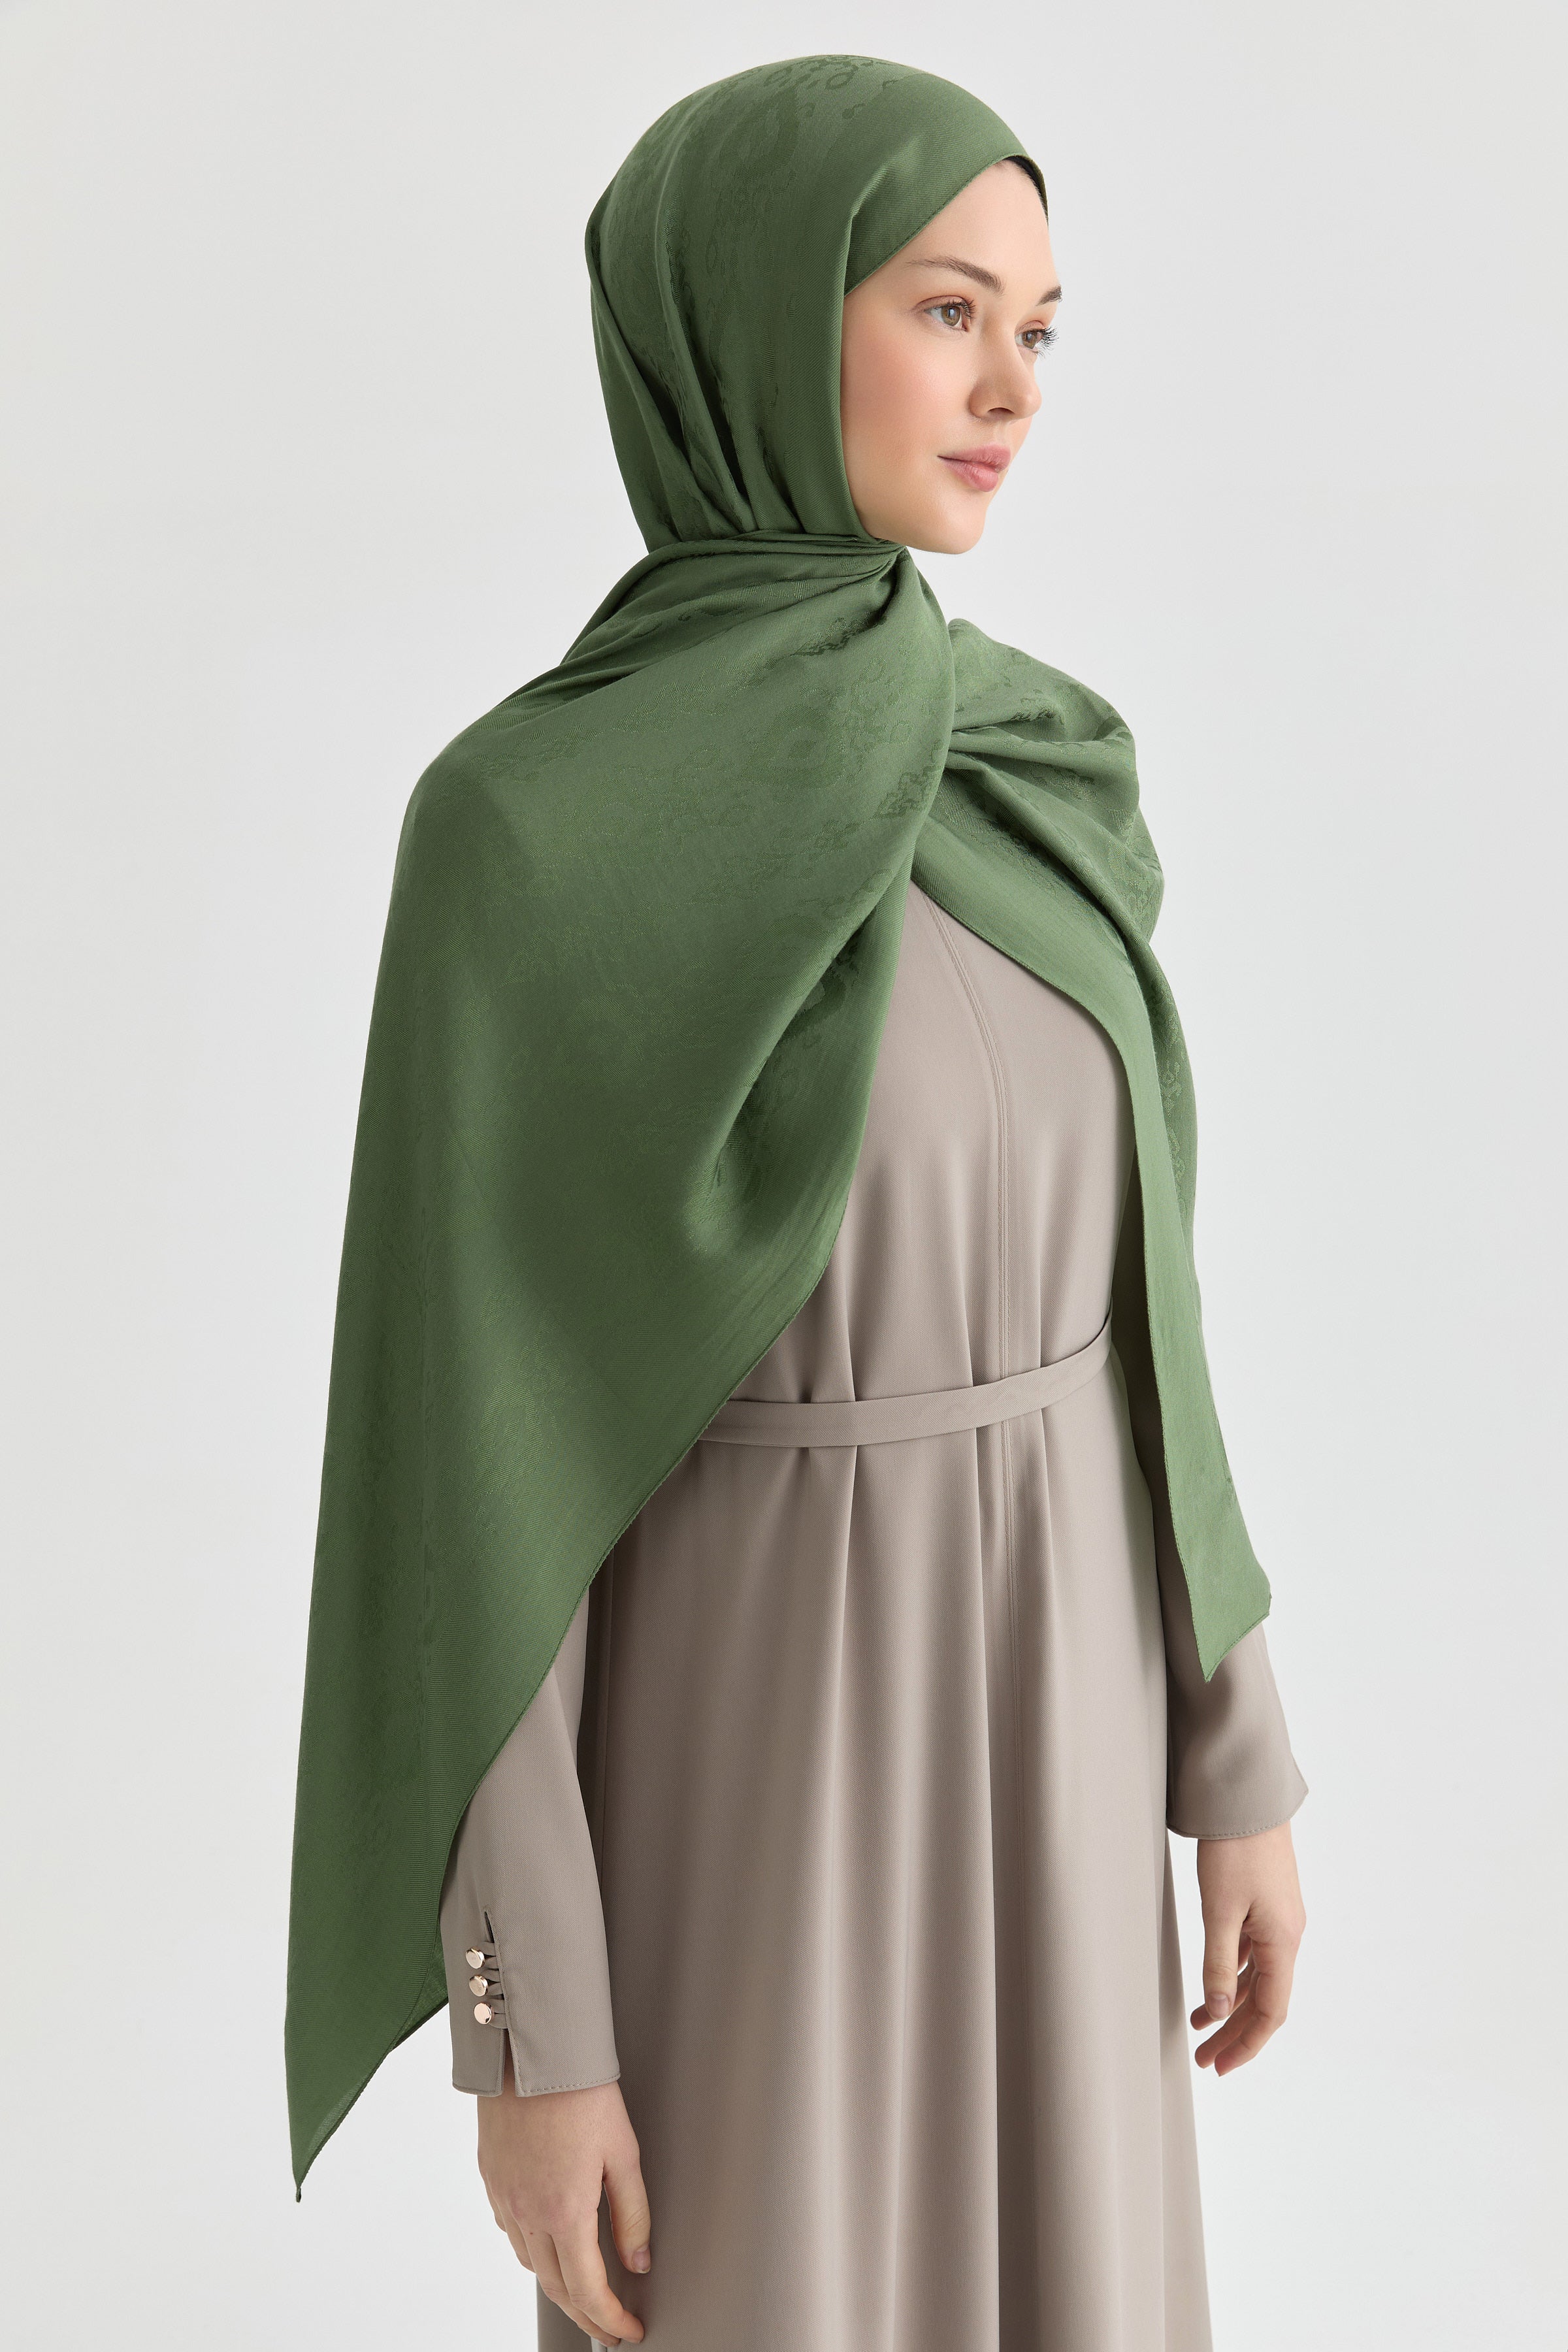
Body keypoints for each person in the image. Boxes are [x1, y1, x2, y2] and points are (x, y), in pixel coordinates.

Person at [286, 56, 1308, 2352]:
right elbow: (475, 1478)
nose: (1012, 389)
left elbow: (1145, 1304)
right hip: (753, 1770)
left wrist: (1233, 1755)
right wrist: (534, 2031)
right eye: (949, 312)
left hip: (1067, 1732)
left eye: (1042, 329)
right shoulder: (532, 839)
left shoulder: (1032, 768)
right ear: (754, 321)